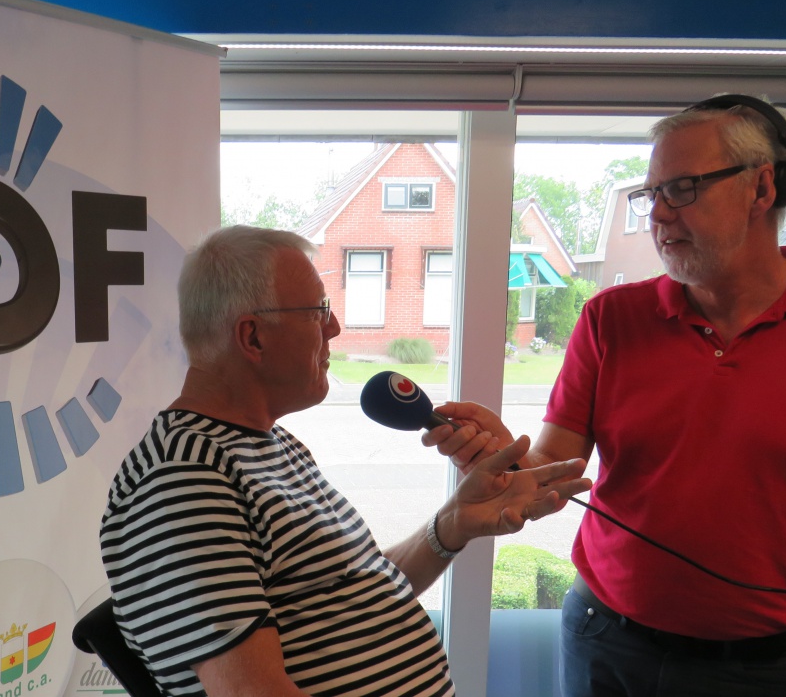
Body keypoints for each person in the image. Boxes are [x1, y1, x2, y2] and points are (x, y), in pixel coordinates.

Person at [426, 95, 786, 697]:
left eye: (681, 188)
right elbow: (553, 475)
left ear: (762, 189)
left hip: (757, 663)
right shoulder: (611, 318)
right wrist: (502, 458)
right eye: (650, 193)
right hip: (604, 638)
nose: (657, 214)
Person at [99, 225, 591, 697]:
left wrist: (454, 522)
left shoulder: (272, 446)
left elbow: (359, 588)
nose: (334, 327)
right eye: (318, 311)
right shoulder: (182, 478)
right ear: (253, 337)